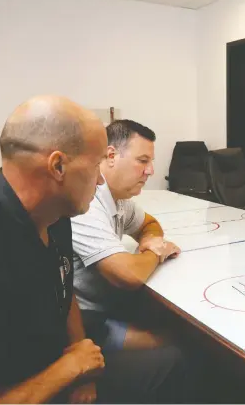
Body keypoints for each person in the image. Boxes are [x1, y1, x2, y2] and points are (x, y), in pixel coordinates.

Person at [0, 96, 192, 403]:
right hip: (34, 382)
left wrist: (82, 363)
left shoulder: (57, 214)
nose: (101, 178)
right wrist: (69, 369)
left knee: (173, 362)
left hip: (60, 360)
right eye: (95, 164)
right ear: (58, 166)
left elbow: (65, 290)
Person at [71, 119, 181, 351]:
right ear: (111, 156)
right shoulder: (87, 201)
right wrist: (156, 251)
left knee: (174, 323)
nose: (150, 170)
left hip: (114, 303)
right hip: (85, 323)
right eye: (142, 161)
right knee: (175, 348)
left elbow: (149, 224)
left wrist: (149, 240)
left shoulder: (119, 198)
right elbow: (127, 275)